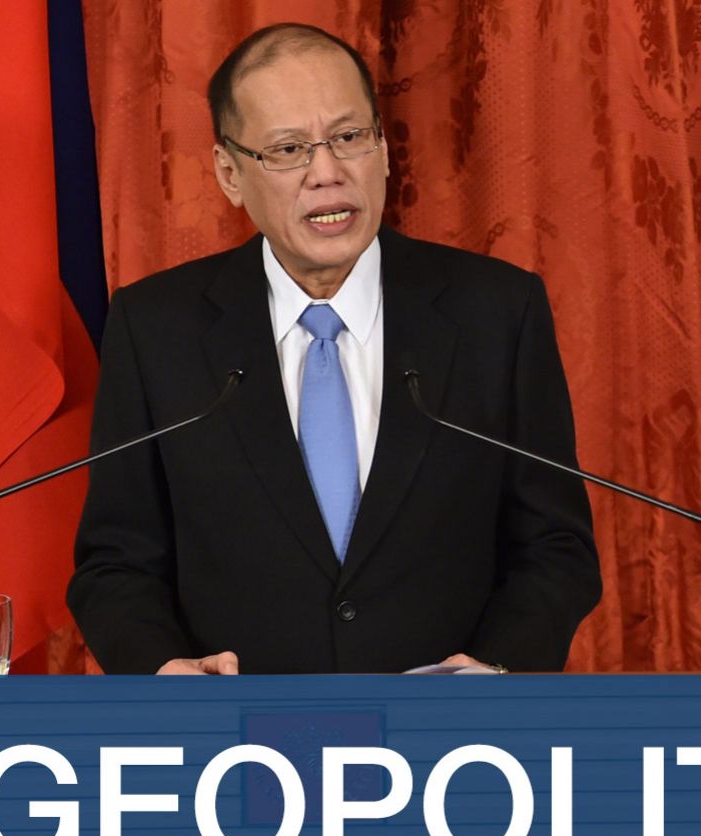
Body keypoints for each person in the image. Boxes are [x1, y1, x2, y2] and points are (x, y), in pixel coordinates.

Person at [67, 24, 602, 673]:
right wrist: (164, 670)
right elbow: (116, 562)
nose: (327, 173)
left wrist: (497, 670)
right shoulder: (155, 328)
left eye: (349, 138)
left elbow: (555, 545)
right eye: (289, 149)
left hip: (454, 745)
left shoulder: (497, 311)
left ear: (382, 148)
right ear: (230, 173)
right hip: (234, 750)